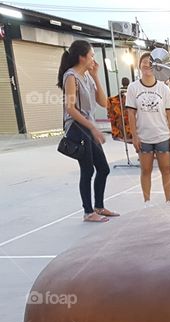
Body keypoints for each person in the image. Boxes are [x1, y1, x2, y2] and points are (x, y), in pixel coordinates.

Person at [58, 40, 118, 223]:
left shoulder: (87, 76)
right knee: (87, 170)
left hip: (88, 126)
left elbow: (104, 102)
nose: (93, 59)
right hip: (77, 127)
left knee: (103, 169)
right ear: (81, 57)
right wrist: (92, 127)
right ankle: (88, 212)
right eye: (91, 55)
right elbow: (70, 108)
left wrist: (96, 76)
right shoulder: (71, 76)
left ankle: (99, 206)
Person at [126, 51, 170, 207]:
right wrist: (134, 136)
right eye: (144, 62)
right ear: (139, 66)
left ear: (156, 66)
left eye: (150, 62)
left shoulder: (164, 89)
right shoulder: (133, 88)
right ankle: (147, 201)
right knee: (145, 170)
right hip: (144, 137)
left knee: (166, 169)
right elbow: (130, 114)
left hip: (163, 136)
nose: (147, 65)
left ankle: (168, 200)